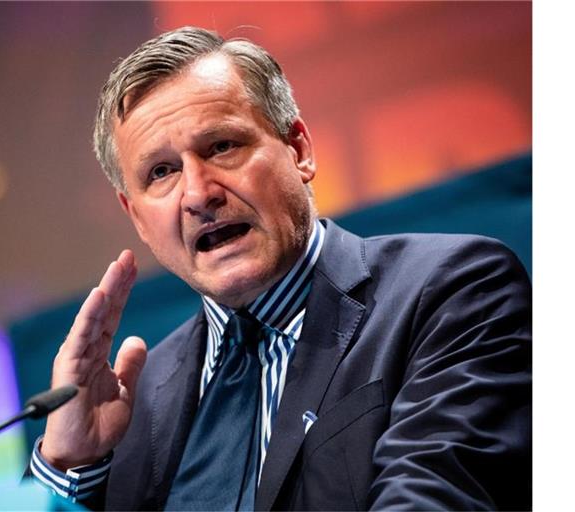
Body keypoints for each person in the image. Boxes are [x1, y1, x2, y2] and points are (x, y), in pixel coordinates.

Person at [27, 27, 531, 511]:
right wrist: (75, 464)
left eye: (222, 146)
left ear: (299, 150)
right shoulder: (136, 399)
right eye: (161, 172)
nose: (199, 194)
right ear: (135, 214)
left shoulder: (450, 291)